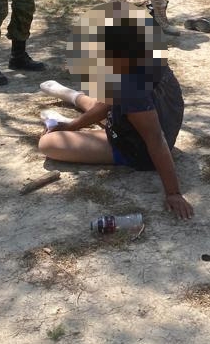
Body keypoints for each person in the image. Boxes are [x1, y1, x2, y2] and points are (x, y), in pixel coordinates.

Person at [38, 20, 193, 219]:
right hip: (152, 120)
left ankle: (66, 106)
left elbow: (155, 140)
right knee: (105, 101)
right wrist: (73, 125)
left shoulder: (130, 88)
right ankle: (70, 96)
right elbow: (111, 102)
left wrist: (174, 193)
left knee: (47, 144)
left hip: (139, 149)